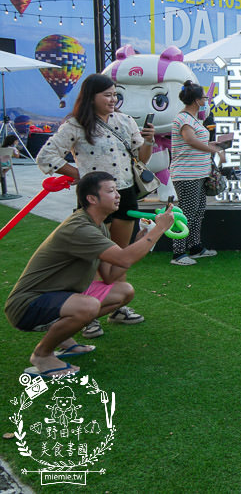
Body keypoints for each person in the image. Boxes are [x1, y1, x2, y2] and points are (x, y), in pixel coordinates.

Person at [4, 171, 175, 378]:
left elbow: (111, 276)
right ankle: (42, 355)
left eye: (116, 190)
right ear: (92, 199)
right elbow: (124, 259)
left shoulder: (98, 226)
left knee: (123, 291)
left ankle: (62, 338)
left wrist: (146, 239)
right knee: (89, 305)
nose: (118, 195)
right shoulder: (79, 228)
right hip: (26, 306)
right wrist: (159, 229)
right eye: (111, 191)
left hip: (56, 295)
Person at [36, 73, 156, 336]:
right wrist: (80, 175)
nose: (113, 100)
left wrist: (148, 140)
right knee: (91, 258)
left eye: (115, 94)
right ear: (91, 97)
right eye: (107, 95)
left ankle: (117, 307)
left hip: (124, 193)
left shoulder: (124, 121)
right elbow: (46, 157)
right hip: (92, 199)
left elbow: (142, 158)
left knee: (120, 253)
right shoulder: (76, 126)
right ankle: (88, 313)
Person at [169, 81, 226, 265]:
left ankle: (195, 246)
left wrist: (215, 146)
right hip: (186, 173)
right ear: (196, 100)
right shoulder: (183, 119)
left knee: (198, 210)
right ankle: (178, 253)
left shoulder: (193, 119)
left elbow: (196, 142)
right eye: (204, 97)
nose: (206, 100)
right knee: (186, 212)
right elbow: (191, 140)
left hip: (199, 172)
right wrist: (214, 150)